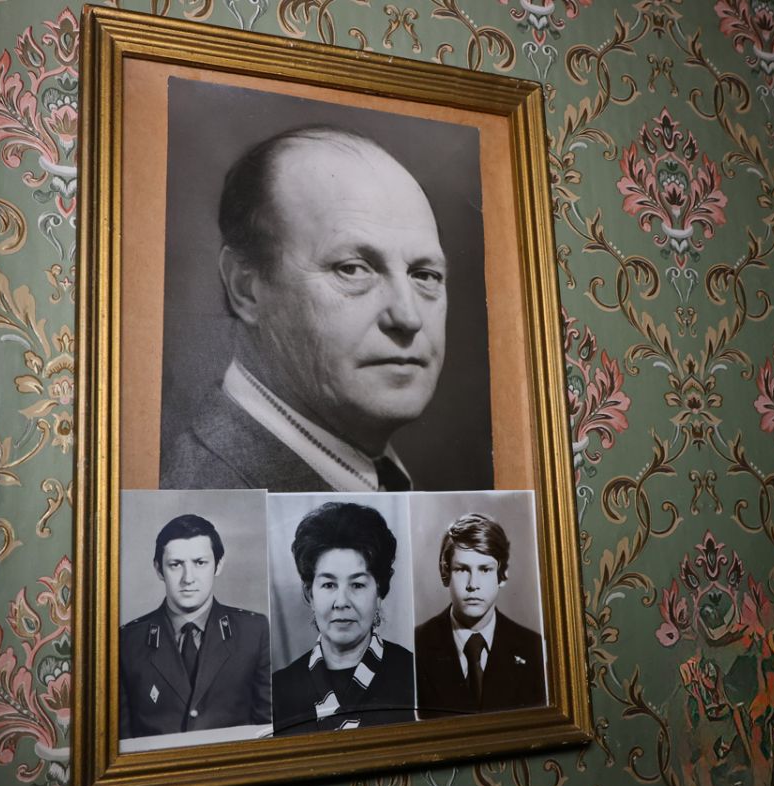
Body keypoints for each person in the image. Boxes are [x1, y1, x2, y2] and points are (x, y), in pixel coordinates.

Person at [159, 125, 448, 492]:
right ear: (245, 289)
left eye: (424, 275)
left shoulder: (381, 478)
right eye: (352, 269)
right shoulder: (203, 495)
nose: (408, 317)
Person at [119, 514, 271, 739]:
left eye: (200, 563)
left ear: (218, 565)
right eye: (175, 565)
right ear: (159, 569)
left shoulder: (254, 632)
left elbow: (268, 730)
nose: (188, 578)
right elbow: (122, 740)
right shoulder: (127, 642)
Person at [271, 502, 416, 734]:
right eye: (329, 585)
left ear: (379, 593)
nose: (341, 602)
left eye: (357, 585)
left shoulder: (415, 675)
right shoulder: (278, 689)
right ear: (310, 594)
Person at [414, 512, 546, 718]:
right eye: (462, 569)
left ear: (502, 575)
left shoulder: (533, 649)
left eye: (485, 570)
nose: (473, 584)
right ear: (445, 573)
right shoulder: (416, 646)